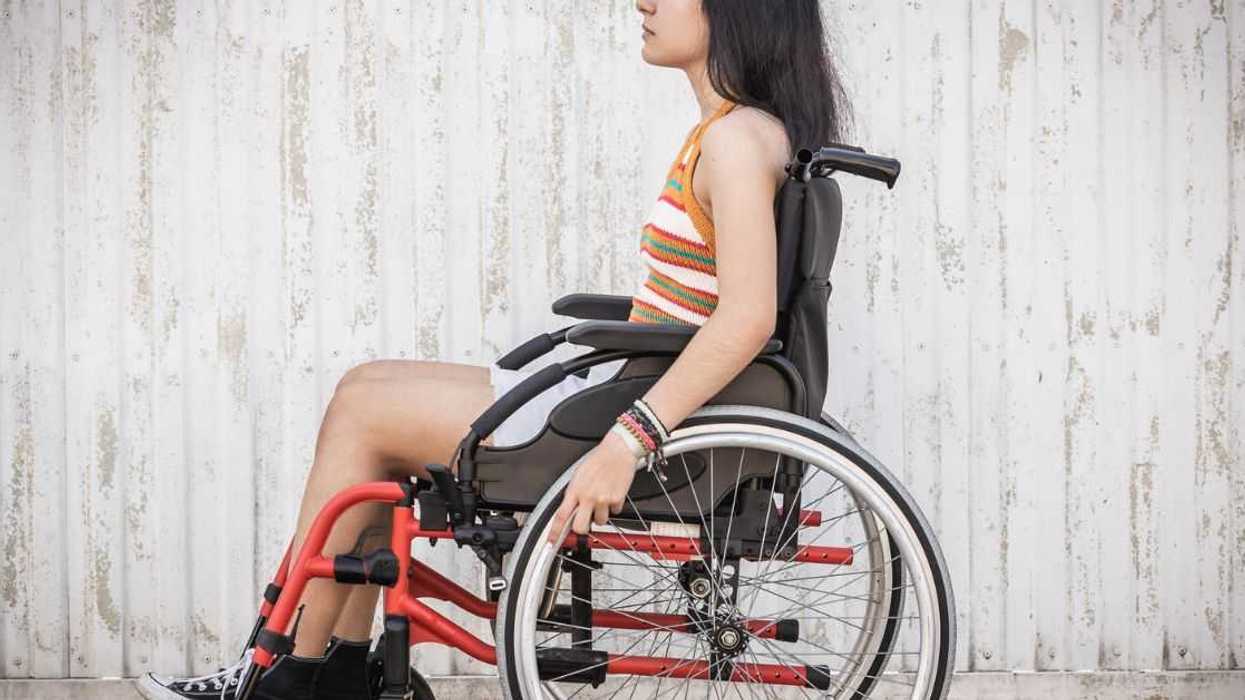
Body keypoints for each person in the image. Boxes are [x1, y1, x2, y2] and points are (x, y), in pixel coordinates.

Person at [137, 0, 849, 697]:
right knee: (364, 385)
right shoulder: (737, 131)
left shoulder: (734, 141)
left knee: (364, 421)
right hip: (627, 385)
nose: (644, 2)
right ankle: (332, 666)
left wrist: (627, 442)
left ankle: (288, 671)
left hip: (637, 416)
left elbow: (746, 319)